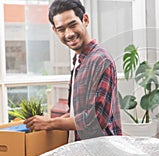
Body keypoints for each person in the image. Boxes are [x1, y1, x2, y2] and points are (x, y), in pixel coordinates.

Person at [24, 0, 122, 141]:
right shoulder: (78, 60)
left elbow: (96, 120)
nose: (68, 34)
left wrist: (51, 123)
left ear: (85, 20)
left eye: (73, 25)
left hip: (102, 152)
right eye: (61, 29)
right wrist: (46, 121)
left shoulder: (101, 60)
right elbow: (77, 113)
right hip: (82, 149)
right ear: (55, 31)